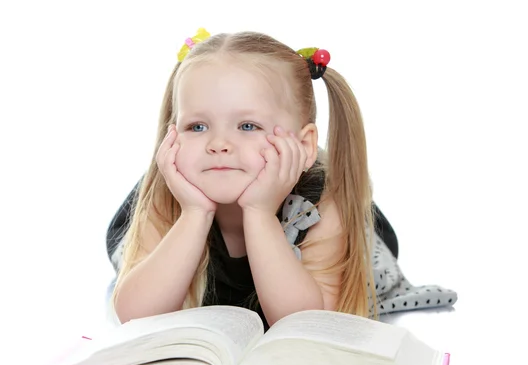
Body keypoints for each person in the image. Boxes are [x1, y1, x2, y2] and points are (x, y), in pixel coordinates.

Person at [105, 28, 457, 330]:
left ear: (304, 145)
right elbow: (134, 315)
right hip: (180, 208)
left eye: (247, 126)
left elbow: (306, 322)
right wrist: (194, 213)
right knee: (137, 250)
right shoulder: (172, 191)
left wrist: (259, 213)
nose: (218, 144)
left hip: (352, 237)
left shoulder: (321, 202)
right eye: (197, 126)